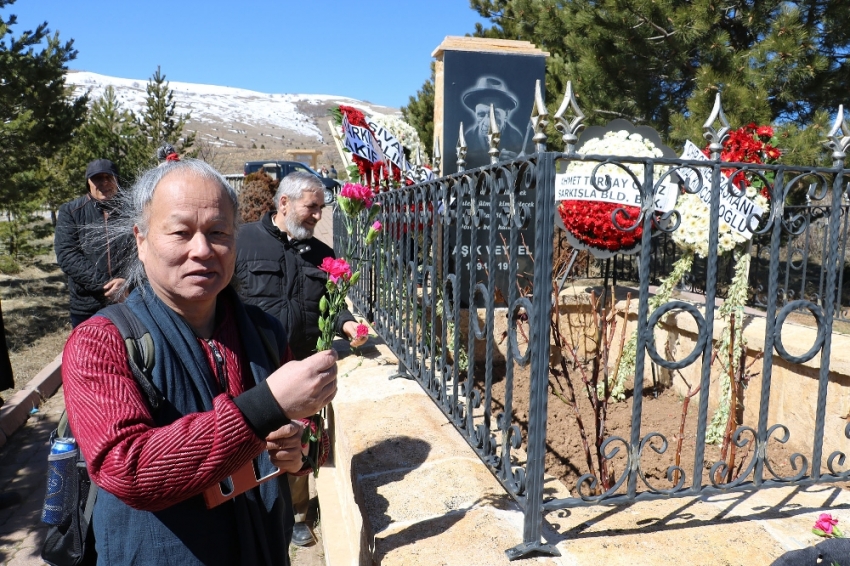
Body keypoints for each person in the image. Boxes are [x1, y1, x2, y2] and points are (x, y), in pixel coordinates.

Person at [61, 159, 338, 565]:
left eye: (218, 232)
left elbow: (314, 437)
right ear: (141, 239)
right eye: (180, 232)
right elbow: (127, 469)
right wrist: (265, 408)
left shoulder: (263, 332)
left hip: (263, 547)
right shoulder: (100, 343)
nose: (202, 250)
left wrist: (301, 448)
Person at [234, 170, 363, 546]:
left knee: (297, 442)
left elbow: (333, 306)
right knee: (248, 439)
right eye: (312, 208)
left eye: (322, 209)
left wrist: (349, 327)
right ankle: (247, 510)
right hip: (253, 365)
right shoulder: (243, 242)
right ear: (284, 203)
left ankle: (298, 515)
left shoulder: (322, 255)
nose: (318, 217)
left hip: (301, 365)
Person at [54, 159, 131, 327]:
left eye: (109, 177)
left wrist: (128, 282)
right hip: (87, 306)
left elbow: (142, 249)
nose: (104, 183)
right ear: (88, 182)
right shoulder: (71, 211)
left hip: (128, 300)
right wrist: (106, 285)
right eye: (97, 178)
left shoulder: (131, 210)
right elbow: (67, 254)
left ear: (117, 180)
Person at [461, 76, 531, 167]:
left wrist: (515, 162)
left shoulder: (515, 136)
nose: (488, 121)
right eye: (481, 114)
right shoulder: (469, 137)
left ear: (506, 114)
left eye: (494, 114)